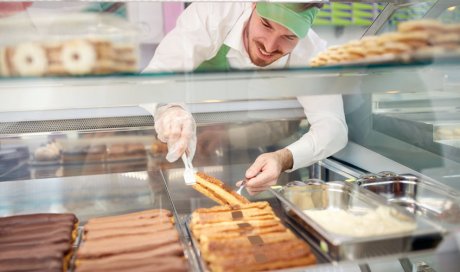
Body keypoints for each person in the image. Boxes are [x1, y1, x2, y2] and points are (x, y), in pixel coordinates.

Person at [146, 2, 348, 194]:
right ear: (252, 4)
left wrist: (282, 158)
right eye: (266, 25)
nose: (269, 47)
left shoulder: (312, 52)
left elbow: (333, 128)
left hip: (253, 147)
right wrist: (171, 109)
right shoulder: (213, 13)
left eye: (289, 37)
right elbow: (158, 74)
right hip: (180, 140)